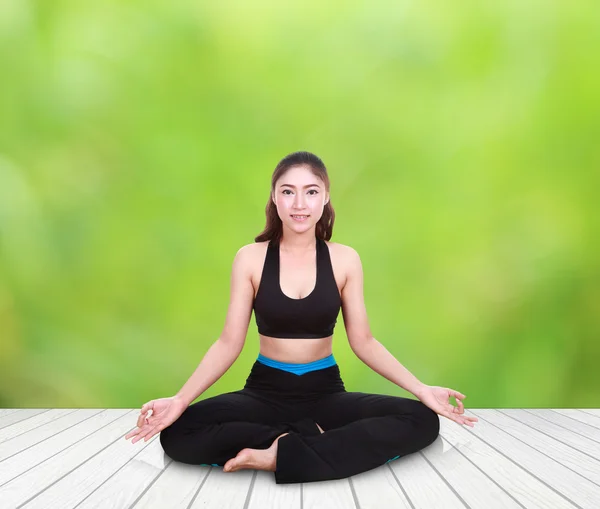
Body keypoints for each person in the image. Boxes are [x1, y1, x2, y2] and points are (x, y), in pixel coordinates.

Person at [124, 151, 478, 484]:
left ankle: (280, 453)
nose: (299, 204)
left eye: (310, 192)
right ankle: (298, 442)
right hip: (264, 392)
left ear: (325, 198)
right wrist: (179, 400)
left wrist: (421, 389)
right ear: (274, 199)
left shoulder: (344, 260)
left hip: (325, 392)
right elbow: (229, 342)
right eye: (287, 192)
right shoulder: (250, 258)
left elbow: (364, 342)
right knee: (177, 433)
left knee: (421, 420)